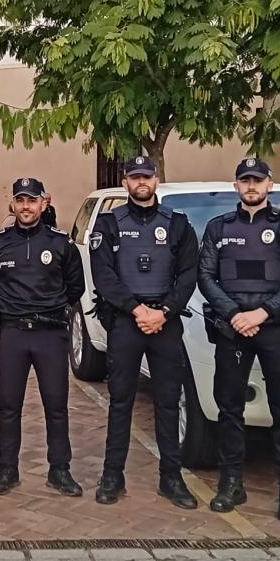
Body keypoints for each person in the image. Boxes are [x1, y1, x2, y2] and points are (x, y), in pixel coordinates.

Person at [198, 158, 280, 521]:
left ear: (269, 186)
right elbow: (206, 277)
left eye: (257, 181)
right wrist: (234, 315)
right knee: (230, 409)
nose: (251, 186)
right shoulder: (218, 228)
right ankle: (232, 483)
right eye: (244, 180)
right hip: (232, 330)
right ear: (236, 186)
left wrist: (263, 313)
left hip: (275, 327)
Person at [90, 155, 199, 509]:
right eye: (135, 176)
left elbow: (188, 274)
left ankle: (172, 478)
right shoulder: (108, 224)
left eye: (147, 176)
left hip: (165, 323)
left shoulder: (179, 225)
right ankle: (112, 475)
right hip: (127, 321)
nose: (141, 182)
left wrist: (164, 311)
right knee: (121, 401)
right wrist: (138, 310)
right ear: (125, 181)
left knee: (167, 402)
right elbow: (104, 275)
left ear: (156, 180)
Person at [0, 177, 85, 497]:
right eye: (20, 200)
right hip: (12, 334)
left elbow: (75, 287)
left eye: (32, 200)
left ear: (44, 202)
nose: (26, 206)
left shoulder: (61, 243)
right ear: (13, 204)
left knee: (56, 405)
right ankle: (7, 469)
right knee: (8, 405)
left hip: (50, 334)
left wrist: (50, 308)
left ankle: (60, 469)